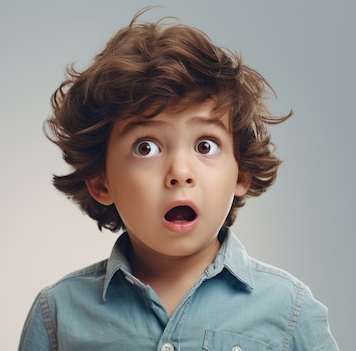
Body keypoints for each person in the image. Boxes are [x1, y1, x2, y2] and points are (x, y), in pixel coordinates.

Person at [18, 8, 339, 351]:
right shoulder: (59, 315)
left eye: (205, 145)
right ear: (101, 182)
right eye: (146, 147)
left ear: (241, 173)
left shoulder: (289, 311)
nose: (180, 173)